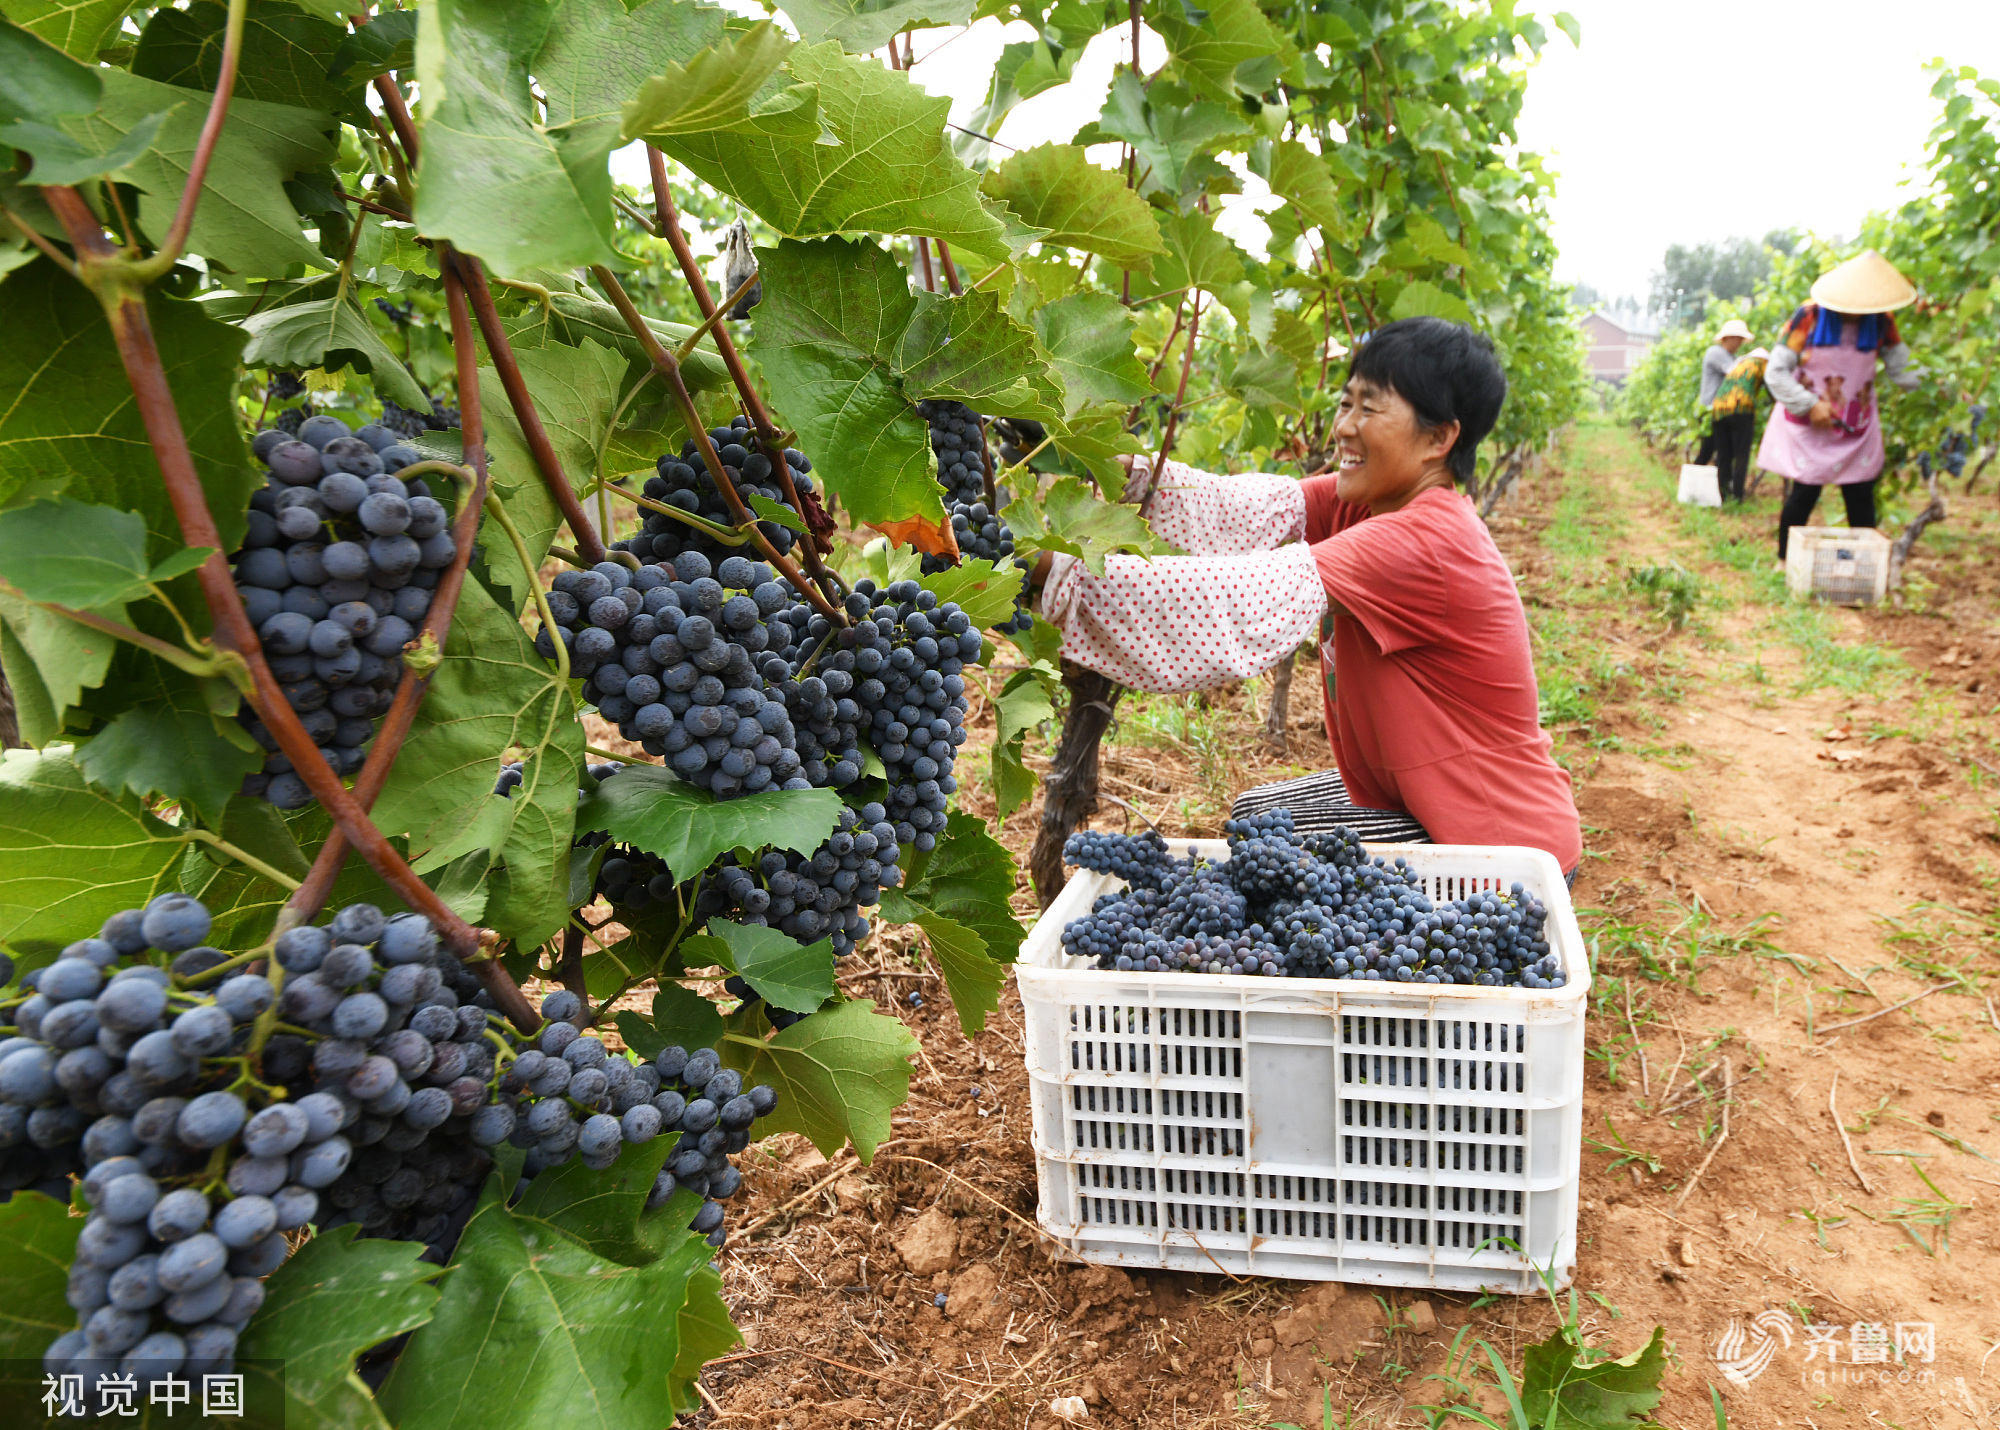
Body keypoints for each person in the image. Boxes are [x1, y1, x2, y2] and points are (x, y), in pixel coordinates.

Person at [1027, 317, 1582, 877]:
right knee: (1259, 815)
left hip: (1499, 850)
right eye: (1346, 403)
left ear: (1439, 438)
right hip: (1422, 796)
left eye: (1370, 408)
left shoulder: (1423, 541)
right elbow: (1233, 507)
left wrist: (1043, 573)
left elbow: (1237, 601)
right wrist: (1110, 468)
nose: (1344, 426)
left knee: (1271, 853)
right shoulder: (1373, 501)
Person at [1758, 249, 1921, 558]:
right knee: (1804, 492)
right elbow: (1776, 371)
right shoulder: (1809, 316)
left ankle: (1862, 565)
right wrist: (1809, 404)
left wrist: (1943, 386)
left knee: (1860, 494)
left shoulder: (1882, 321)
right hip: (1812, 422)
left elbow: (1903, 370)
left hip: (1855, 424)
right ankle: (1785, 562)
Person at [1708, 345, 1769, 503]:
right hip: (1741, 407)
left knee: (1724, 455)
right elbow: (1773, 387)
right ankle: (1737, 497)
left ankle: (1723, 496)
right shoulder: (1763, 363)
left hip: (1719, 408)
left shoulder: (1740, 364)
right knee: (1742, 454)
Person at [1694, 319, 1753, 467]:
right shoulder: (1716, 353)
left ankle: (1716, 485)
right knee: (1708, 451)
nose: (1740, 343)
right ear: (1728, 338)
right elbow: (1735, 373)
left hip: (1721, 410)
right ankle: (1690, 483)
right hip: (1710, 409)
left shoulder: (1730, 357)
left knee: (1722, 452)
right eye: (1738, 339)